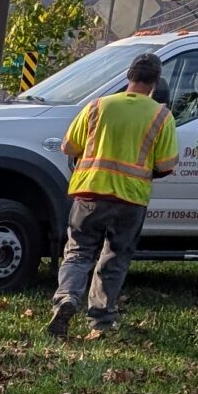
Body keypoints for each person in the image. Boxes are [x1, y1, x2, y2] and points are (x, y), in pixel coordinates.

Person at [51, 51, 178, 338]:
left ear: (128, 77)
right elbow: (166, 165)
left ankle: (67, 298)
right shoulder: (161, 116)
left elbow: (68, 147)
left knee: (78, 252)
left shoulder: (97, 106)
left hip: (89, 194)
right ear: (155, 82)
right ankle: (100, 321)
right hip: (130, 200)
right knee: (115, 257)